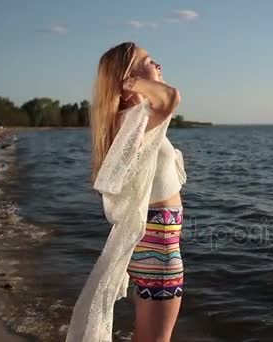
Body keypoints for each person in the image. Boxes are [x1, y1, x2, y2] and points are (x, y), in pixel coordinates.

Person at [66, 42, 187, 342]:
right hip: (159, 245)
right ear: (127, 77)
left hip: (153, 241)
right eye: (147, 61)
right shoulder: (136, 121)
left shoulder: (131, 121)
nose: (158, 64)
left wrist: (135, 82)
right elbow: (172, 97)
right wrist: (130, 83)